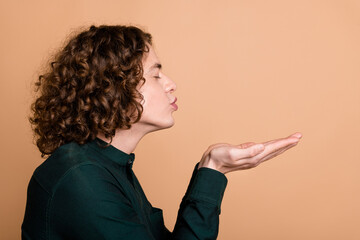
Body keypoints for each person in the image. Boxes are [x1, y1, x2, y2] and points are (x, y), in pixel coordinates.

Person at [22, 24, 302, 240]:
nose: (170, 84)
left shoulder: (108, 166)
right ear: (113, 87)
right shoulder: (80, 177)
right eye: (155, 75)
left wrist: (213, 167)